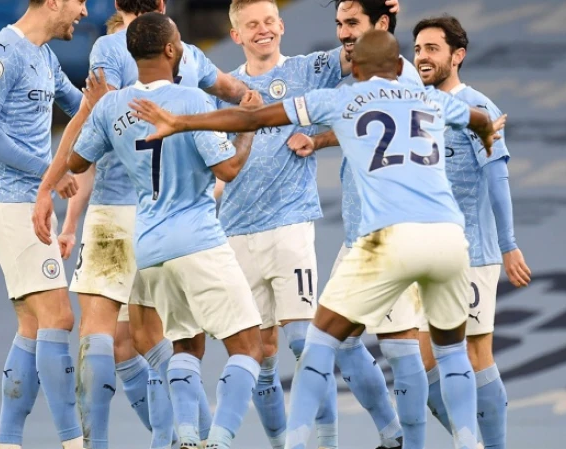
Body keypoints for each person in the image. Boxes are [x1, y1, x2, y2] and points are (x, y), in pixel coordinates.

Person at [129, 29, 501, 449]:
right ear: (401, 66)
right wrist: (488, 135)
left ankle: (299, 443)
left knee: (319, 342)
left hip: (388, 238)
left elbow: (252, 119)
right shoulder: (431, 99)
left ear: (354, 70)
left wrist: (181, 122)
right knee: (452, 354)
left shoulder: (341, 100)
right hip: (448, 237)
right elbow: (478, 118)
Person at [33, 1, 249, 447]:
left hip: (134, 231)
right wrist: (250, 124)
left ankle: (113, 441)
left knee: (116, 338)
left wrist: (53, 185)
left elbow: (78, 159)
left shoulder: (109, 76)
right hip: (192, 231)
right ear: (171, 44)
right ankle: (206, 439)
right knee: (240, 347)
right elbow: (232, 115)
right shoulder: (191, 80)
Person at [212, 1, 390, 445]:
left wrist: (386, 18)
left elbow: (362, 48)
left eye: (269, 22)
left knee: (303, 343)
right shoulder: (225, 88)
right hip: (235, 230)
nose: (262, 30)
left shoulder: (309, 69)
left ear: (282, 25)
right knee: (259, 354)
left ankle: (327, 441)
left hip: (290, 226)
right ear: (236, 35)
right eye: (251, 25)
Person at [286, 1, 427, 446]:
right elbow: (366, 126)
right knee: (342, 342)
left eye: (352, 23)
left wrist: (186, 121)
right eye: (339, 24)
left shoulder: (396, 79)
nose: (343, 33)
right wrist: (321, 140)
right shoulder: (380, 78)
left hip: (389, 237)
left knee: (399, 347)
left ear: (381, 24)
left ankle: (418, 440)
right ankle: (393, 434)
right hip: (360, 236)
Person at [0, 0, 89, 448]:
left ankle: (8, 442)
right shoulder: (1, 52)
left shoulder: (44, 56)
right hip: (10, 202)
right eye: (79, 1)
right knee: (59, 316)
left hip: (26, 204)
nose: (85, 11)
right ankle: (74, 443)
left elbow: (83, 108)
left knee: (33, 328)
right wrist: (48, 173)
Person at [413, 15, 531, 449]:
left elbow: (497, 178)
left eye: (432, 48)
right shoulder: (415, 106)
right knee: (420, 367)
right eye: (417, 49)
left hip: (470, 253)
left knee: (477, 355)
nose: (422, 57)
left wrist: (509, 245)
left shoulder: (479, 108)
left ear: (457, 56)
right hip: (422, 254)